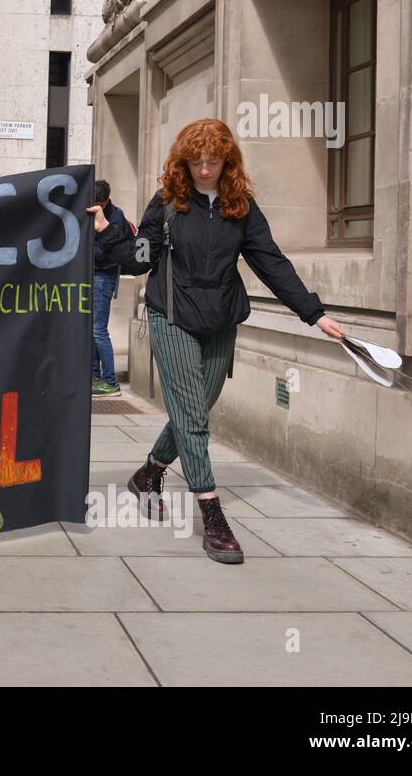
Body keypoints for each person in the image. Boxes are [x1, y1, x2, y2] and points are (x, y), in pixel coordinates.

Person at [87, 118, 344, 564]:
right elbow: (137, 259)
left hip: (221, 319)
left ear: (228, 160)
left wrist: (313, 313)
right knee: (194, 420)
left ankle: (150, 473)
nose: (204, 169)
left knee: (195, 409)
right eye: (196, 161)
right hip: (171, 317)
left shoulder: (240, 205)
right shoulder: (168, 202)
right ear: (183, 161)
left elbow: (271, 262)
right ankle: (213, 514)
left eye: (213, 161)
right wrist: (109, 232)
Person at [91, 180, 129, 397]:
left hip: (103, 275)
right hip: (93, 275)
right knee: (92, 330)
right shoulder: (99, 212)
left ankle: (110, 381)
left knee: (98, 329)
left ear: (104, 203)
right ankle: (95, 376)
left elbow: (105, 253)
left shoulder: (115, 217)